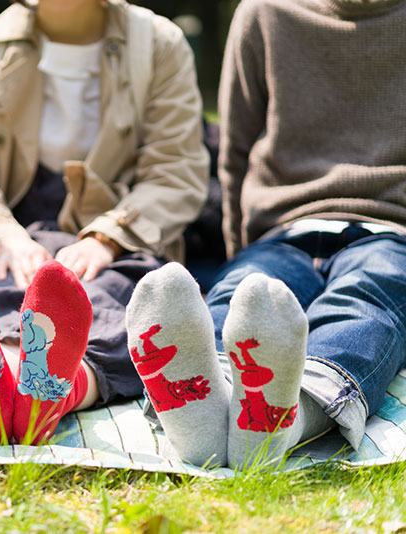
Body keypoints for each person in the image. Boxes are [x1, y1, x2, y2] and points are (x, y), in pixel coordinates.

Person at [125, 0, 406, 469]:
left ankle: (286, 419)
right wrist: (240, 247)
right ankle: (208, 406)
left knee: (365, 301)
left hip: (392, 229)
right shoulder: (264, 11)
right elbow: (234, 149)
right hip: (283, 225)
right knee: (244, 292)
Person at [0, 0, 209, 446]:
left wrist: (108, 237)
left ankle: (50, 393)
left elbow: (176, 169)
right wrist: (4, 234)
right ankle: (6, 390)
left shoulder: (159, 43)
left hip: (124, 238)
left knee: (120, 305)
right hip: (14, 232)